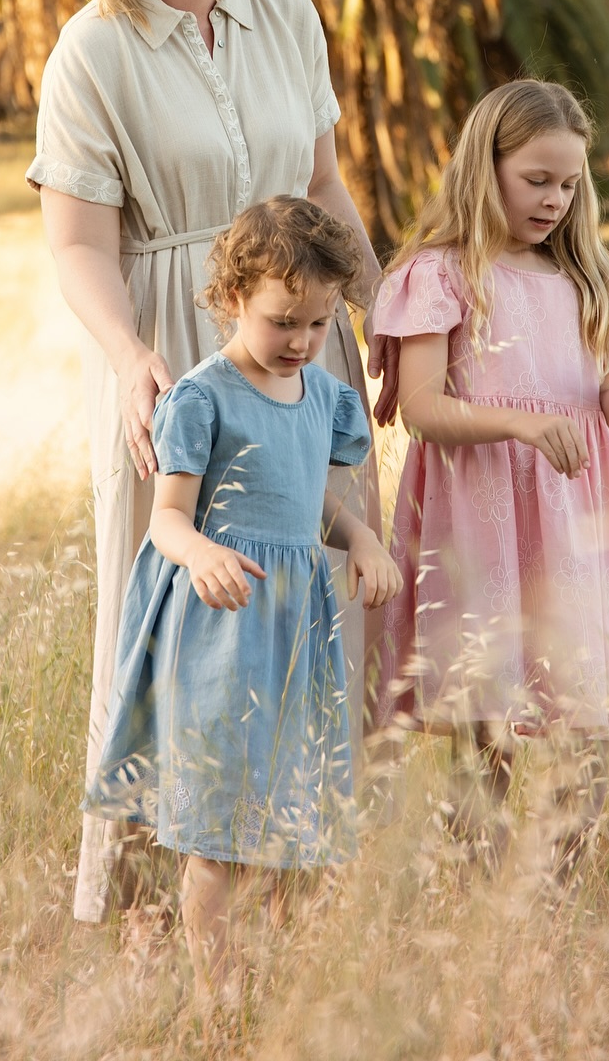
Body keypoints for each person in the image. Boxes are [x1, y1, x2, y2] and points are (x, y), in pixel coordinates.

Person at [26, 0, 385, 925]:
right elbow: (78, 243)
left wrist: (380, 318)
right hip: (176, 357)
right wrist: (135, 356)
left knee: (318, 602)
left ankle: (297, 884)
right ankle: (146, 903)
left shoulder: (285, 11)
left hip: (306, 356)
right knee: (168, 630)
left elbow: (323, 188)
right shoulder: (92, 49)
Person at [87, 197, 402, 993]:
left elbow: (313, 502)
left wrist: (360, 537)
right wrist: (202, 555)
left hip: (296, 633)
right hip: (221, 633)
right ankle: (216, 996)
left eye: (318, 325)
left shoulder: (323, 400)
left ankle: (283, 991)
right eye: (281, 321)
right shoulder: (202, 397)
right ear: (232, 298)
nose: (300, 342)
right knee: (221, 832)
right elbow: (166, 520)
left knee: (295, 822)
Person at [369, 78, 609, 868]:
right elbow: (424, 407)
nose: (555, 200)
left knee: (587, 725)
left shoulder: (584, 276)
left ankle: (553, 897)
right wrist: (521, 424)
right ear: (486, 166)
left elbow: (596, 424)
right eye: (536, 180)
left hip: (571, 527)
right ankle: (481, 904)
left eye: (570, 184)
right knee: (488, 726)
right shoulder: (440, 274)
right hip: (481, 520)